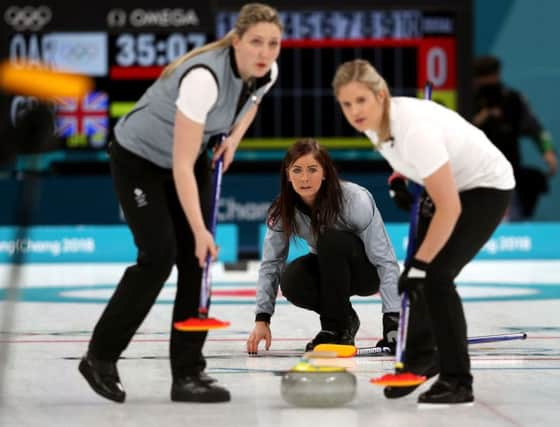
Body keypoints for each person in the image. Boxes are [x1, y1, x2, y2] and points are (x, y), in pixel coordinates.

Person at [78, 3, 282, 404]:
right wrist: (202, 231)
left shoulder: (266, 72)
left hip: (188, 158)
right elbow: (182, 167)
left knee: (197, 262)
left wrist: (233, 141)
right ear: (236, 41)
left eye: (273, 44)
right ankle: (99, 357)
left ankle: (188, 373)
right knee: (160, 255)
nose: (265, 52)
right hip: (139, 159)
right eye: (256, 42)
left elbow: (253, 101)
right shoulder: (203, 78)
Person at [332, 59, 515, 405]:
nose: (354, 110)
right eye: (346, 103)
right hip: (451, 186)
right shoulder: (373, 124)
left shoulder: (413, 130)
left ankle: (458, 380)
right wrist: (403, 180)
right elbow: (415, 162)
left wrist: (419, 265)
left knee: (434, 276)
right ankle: (419, 360)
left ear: (381, 95)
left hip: (483, 188)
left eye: (361, 100)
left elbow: (451, 207)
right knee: (420, 275)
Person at [246, 139, 402, 355]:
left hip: (365, 273)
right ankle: (342, 323)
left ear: (325, 172)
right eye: (297, 170)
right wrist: (262, 319)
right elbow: (271, 264)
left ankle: (334, 326)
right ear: (288, 175)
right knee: (292, 279)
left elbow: (384, 259)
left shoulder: (355, 199)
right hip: (330, 272)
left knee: (330, 240)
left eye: (312, 169)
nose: (305, 178)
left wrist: (393, 320)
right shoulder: (282, 211)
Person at [473, 55, 558, 220]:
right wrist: (480, 118)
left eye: (491, 76)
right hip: (473, 174)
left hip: (508, 172)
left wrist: (548, 151)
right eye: (483, 78)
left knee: (510, 220)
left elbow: (537, 130)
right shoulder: (466, 100)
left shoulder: (512, 100)